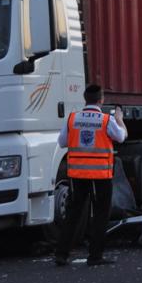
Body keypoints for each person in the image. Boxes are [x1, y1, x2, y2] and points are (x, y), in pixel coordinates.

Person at [54, 84, 127, 267]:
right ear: (101, 100)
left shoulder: (73, 118)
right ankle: (95, 256)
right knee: (100, 214)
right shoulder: (105, 119)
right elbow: (121, 137)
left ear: (84, 99)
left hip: (77, 173)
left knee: (74, 213)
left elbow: (62, 142)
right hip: (100, 174)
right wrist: (120, 119)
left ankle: (61, 254)